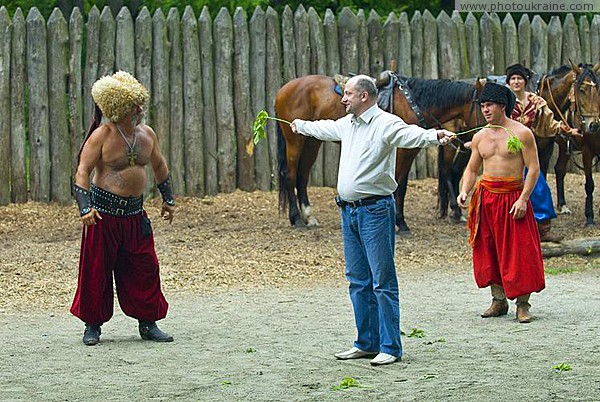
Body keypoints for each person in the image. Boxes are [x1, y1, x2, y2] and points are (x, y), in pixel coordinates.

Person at [290, 75, 455, 365]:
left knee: (382, 281)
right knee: (357, 280)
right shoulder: (348, 124)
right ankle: (366, 341)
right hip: (348, 211)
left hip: (375, 211)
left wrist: (435, 136)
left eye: (349, 94)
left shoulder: (386, 123)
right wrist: (299, 125)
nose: (343, 99)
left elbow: (411, 134)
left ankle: (390, 346)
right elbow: (325, 128)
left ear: (364, 96)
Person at [71, 71, 176, 345]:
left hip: (134, 215)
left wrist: (169, 199)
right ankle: (92, 326)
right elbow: (82, 172)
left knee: (145, 268)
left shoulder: (146, 135)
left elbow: (160, 166)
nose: (139, 109)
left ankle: (148, 323)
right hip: (102, 216)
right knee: (96, 271)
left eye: (139, 103)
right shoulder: (101, 136)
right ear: (119, 107)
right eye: (134, 105)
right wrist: (85, 209)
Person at [457, 82, 545, 324]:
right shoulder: (479, 137)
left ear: (502, 106)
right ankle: (498, 300)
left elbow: (534, 168)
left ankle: (523, 304)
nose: (485, 110)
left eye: (490, 105)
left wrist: (524, 199)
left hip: (513, 197)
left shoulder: (521, 133)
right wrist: (465, 191)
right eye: (482, 105)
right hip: (486, 198)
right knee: (488, 249)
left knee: (519, 252)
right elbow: (472, 169)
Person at [505, 63, 580, 243]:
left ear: (525, 81)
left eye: (519, 79)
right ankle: (510, 233)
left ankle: (543, 231)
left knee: (539, 188)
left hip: (528, 151)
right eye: (513, 79)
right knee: (507, 192)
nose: (516, 82)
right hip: (506, 153)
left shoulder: (536, 102)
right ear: (508, 82)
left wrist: (568, 130)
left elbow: (550, 121)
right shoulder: (503, 102)